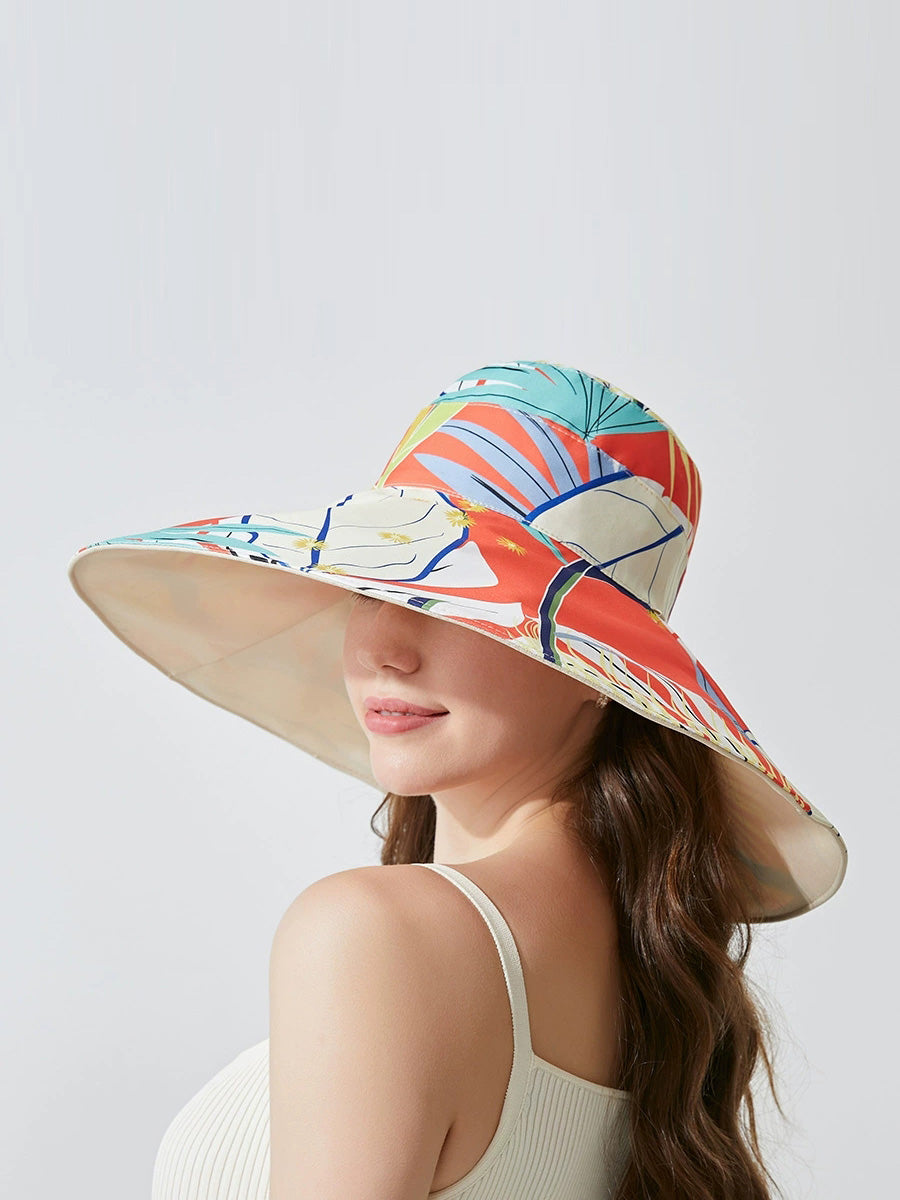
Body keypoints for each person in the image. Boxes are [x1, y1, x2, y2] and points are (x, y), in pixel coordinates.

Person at [67, 359, 847, 1200]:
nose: (385, 649)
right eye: (372, 590)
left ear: (600, 667)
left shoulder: (377, 936)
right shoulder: (653, 976)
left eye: (461, 604)